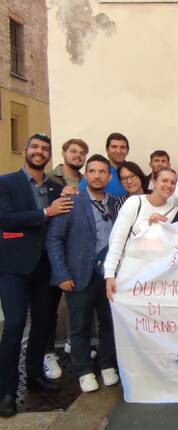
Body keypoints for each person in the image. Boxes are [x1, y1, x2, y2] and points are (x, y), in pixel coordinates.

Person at [0, 134, 73, 417]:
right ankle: (6, 390)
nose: (40, 152)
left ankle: (34, 376)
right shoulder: (7, 182)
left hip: (47, 268)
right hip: (14, 267)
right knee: (15, 326)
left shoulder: (57, 187)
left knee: (43, 324)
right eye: (35, 148)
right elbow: (5, 218)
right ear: (26, 152)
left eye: (45, 149)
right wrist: (45, 212)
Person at [47, 154, 119, 393]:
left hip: (108, 276)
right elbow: (55, 238)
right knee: (80, 326)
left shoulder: (115, 204)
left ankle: (107, 364)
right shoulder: (71, 200)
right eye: (93, 171)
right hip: (78, 274)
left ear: (109, 176)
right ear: (86, 175)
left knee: (109, 323)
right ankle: (84, 370)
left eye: (102, 172)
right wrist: (61, 274)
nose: (97, 176)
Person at [44, 137, 90, 379]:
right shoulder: (50, 179)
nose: (78, 156)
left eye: (82, 153)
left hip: (78, 253)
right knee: (49, 307)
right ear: (63, 153)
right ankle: (48, 352)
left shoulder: (85, 182)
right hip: (53, 249)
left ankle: (75, 343)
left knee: (79, 305)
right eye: (74, 151)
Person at [105, 168, 178, 301]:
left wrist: (165, 223)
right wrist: (110, 274)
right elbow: (117, 240)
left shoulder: (175, 211)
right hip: (127, 274)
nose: (169, 185)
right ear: (153, 181)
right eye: (164, 180)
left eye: (173, 183)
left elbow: (175, 244)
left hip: (156, 280)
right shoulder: (134, 202)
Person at [79, 132, 129, 197]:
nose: (118, 151)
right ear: (107, 150)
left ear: (127, 151)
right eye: (114, 147)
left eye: (122, 147)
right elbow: (80, 195)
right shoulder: (96, 171)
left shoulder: (133, 171)